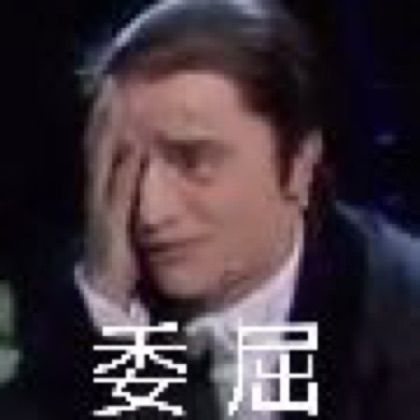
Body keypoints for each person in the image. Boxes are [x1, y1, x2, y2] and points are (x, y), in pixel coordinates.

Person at [3, 0, 420, 419]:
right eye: (125, 165)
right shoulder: (87, 303)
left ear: (299, 164)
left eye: (193, 161)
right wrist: (112, 319)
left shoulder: (397, 312)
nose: (150, 212)